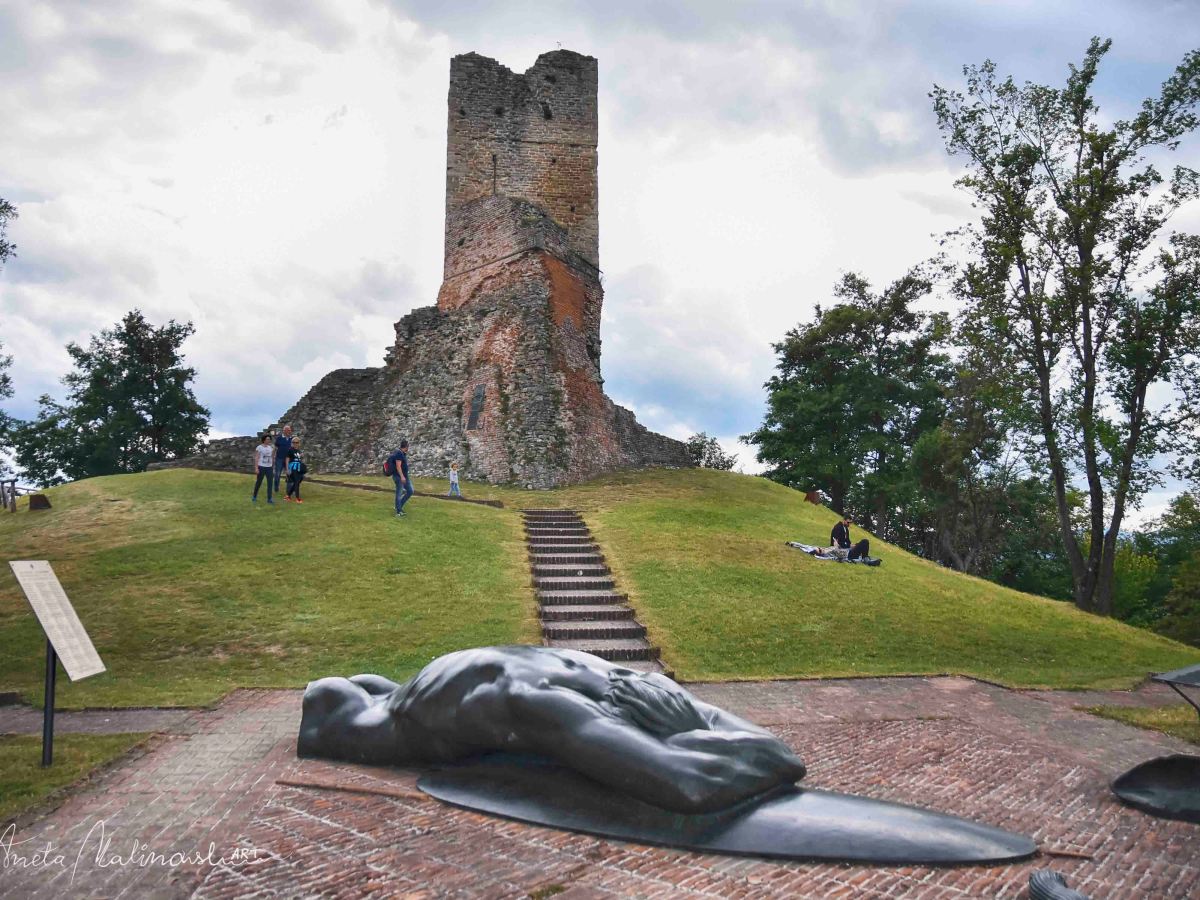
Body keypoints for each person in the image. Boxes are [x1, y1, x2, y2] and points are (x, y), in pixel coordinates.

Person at [298, 645, 807, 814]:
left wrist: (690, 728)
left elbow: (781, 756)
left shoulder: (641, 686)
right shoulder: (547, 705)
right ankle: (346, 697)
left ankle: (379, 686)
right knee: (331, 705)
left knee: (375, 687)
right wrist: (691, 738)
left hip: (458, 676)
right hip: (418, 712)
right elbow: (690, 783)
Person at [387, 439, 413, 517]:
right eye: (408, 446)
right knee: (399, 493)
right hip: (398, 477)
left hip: (405, 476)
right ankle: (398, 512)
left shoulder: (402, 453)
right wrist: (402, 476)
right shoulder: (399, 453)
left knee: (410, 491)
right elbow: (398, 466)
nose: (408, 448)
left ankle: (398, 506)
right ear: (406, 447)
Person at [252, 433, 275, 504]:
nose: (269, 440)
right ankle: (254, 496)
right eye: (267, 439)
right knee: (259, 482)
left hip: (269, 467)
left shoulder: (270, 447)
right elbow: (256, 457)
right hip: (261, 466)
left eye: (269, 439)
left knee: (270, 483)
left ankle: (269, 499)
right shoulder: (259, 447)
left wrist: (272, 466)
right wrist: (256, 468)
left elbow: (272, 457)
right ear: (264, 440)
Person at [273, 425, 294, 493]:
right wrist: (273, 457)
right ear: (284, 431)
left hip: (289, 460)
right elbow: (275, 448)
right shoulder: (279, 438)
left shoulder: (292, 439)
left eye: (290, 430)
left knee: (289, 474)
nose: (289, 431)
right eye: (288, 430)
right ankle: (276, 487)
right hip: (279, 459)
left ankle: (289, 490)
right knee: (277, 474)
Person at [285, 439, 306, 503]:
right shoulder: (290, 450)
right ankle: (297, 498)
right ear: (292, 443)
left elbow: (299, 459)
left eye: (297, 442)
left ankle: (288, 495)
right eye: (294, 442)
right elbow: (287, 459)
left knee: (298, 481)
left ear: (299, 443)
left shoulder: (299, 451)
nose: (295, 444)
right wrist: (287, 469)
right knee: (296, 482)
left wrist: (301, 456)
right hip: (293, 468)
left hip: (299, 468)